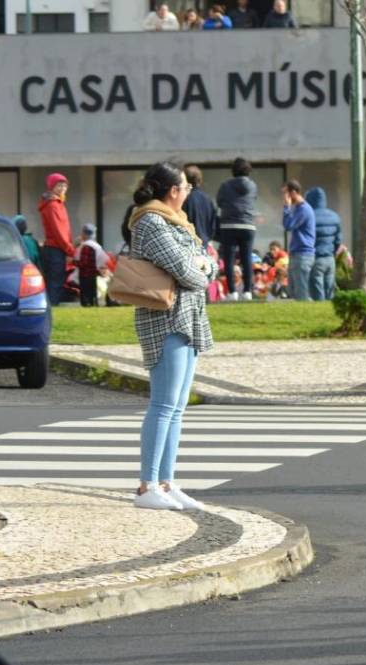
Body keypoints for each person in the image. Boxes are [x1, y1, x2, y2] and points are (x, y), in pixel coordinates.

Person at [120, 162, 217, 511]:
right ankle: (147, 486)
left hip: (188, 319)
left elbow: (207, 261)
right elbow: (187, 270)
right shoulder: (150, 222)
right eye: (185, 187)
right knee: (163, 404)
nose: (189, 192)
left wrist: (202, 266)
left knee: (176, 408)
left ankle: (166, 481)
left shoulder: (177, 222)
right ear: (172, 191)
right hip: (165, 321)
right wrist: (202, 267)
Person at [216, 158, 258, 301]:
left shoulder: (225, 185)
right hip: (248, 225)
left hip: (229, 225)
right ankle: (247, 292)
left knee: (229, 259)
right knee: (247, 258)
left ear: (233, 170)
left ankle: (232, 292)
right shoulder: (253, 186)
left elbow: (220, 202)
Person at [37, 173, 74, 305]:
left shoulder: (58, 202)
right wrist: (70, 250)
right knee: (55, 283)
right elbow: (59, 231)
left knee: (55, 281)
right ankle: (52, 310)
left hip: (56, 248)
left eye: (65, 185)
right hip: (55, 249)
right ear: (52, 186)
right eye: (59, 185)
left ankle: (51, 308)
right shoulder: (53, 205)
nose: (63, 187)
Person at [281, 180, 315, 301]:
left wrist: (286, 207)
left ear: (293, 192)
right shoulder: (299, 209)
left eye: (286, 194)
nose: (285, 198)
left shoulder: (304, 210)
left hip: (303, 255)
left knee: (301, 293)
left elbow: (288, 225)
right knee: (293, 290)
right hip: (297, 254)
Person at [305, 187, 340, 301]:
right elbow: (338, 240)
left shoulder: (309, 216)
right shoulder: (335, 216)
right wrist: (333, 252)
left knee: (317, 291)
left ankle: (320, 313)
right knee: (330, 289)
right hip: (330, 259)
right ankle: (330, 314)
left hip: (316, 258)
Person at [181, 165, 218, 261]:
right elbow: (213, 224)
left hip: (187, 245)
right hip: (204, 244)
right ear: (199, 180)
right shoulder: (208, 199)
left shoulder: (184, 199)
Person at [76, 224, 108, 308]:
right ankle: (94, 304)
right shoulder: (97, 246)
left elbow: (83, 263)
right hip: (94, 274)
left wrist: (72, 262)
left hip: (85, 275)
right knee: (93, 293)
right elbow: (104, 260)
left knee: (86, 295)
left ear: (84, 234)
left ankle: (88, 305)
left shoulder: (85, 246)